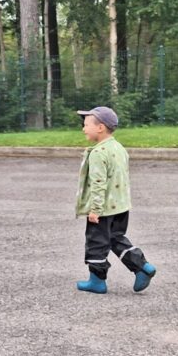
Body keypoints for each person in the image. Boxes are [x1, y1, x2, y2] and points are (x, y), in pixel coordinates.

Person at [75, 107, 158, 294]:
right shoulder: (119, 148)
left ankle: (97, 282)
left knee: (96, 243)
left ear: (100, 128)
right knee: (115, 238)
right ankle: (142, 267)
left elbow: (98, 184)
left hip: (103, 209)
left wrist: (95, 209)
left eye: (86, 125)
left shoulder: (98, 153)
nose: (83, 128)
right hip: (120, 206)